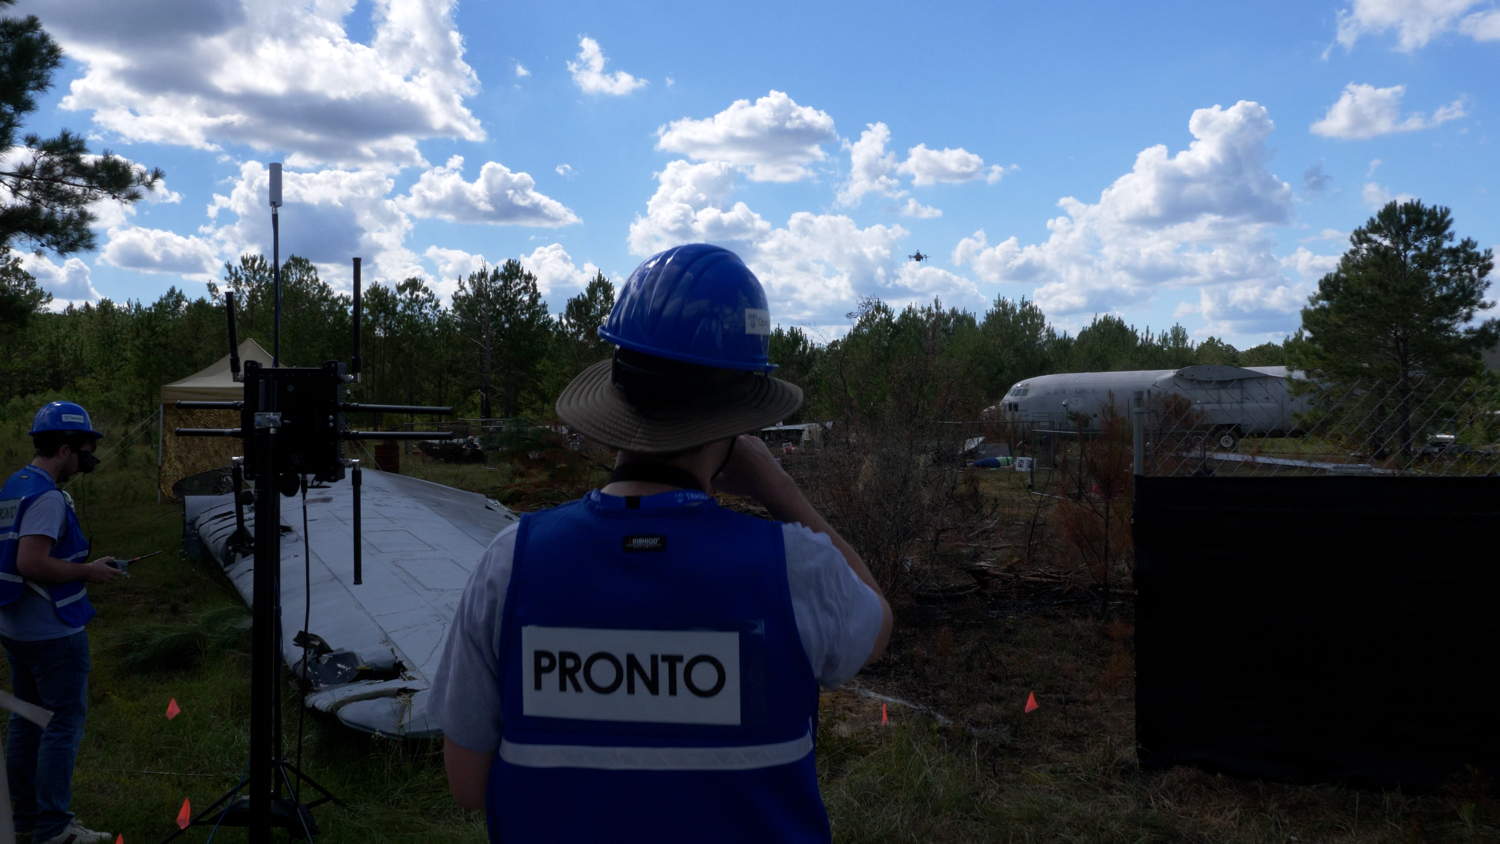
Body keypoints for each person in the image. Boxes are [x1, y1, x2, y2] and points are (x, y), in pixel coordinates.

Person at [431, 243, 893, 842]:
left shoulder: (511, 560)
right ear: (737, 417)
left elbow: (468, 786)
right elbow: (877, 626)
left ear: (618, 400)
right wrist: (781, 490)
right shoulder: (794, 566)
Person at [0, 401, 121, 844]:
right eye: (86, 448)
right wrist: (89, 572)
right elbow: (32, 561)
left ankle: (26, 820)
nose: (89, 457)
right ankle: (55, 829)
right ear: (66, 448)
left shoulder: (17, 483)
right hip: (52, 633)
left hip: (17, 627)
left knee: (28, 721)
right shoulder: (48, 496)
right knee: (61, 724)